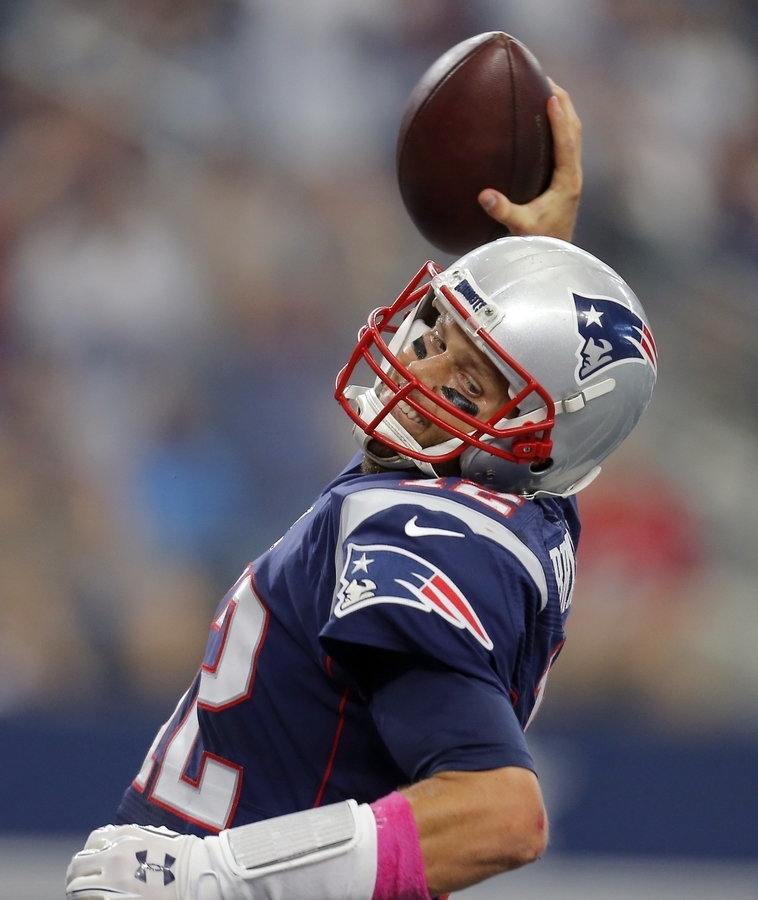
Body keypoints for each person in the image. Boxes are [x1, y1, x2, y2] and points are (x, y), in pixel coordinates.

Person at [65, 84, 655, 900]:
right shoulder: (521, 496)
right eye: (439, 336)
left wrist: (217, 876)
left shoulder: (417, 529)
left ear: (531, 440)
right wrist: (538, 267)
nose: (419, 374)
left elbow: (502, 814)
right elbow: (558, 419)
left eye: (470, 385)